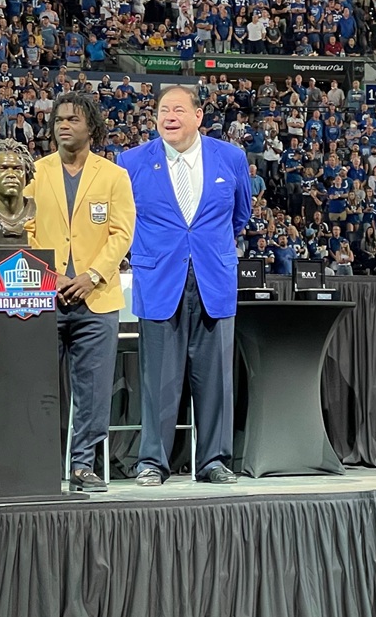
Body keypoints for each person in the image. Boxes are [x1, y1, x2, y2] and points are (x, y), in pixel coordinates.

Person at [118, 85, 252, 486]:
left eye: (178, 109)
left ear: (199, 116)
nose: (168, 116)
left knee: (215, 379)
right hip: (159, 279)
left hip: (214, 278)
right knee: (159, 378)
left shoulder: (230, 157)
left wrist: (206, 249)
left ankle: (213, 460)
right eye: (162, 110)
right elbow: (124, 221)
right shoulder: (131, 161)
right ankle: (152, 463)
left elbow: (239, 215)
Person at [24, 92, 135, 492]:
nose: (63, 125)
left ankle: (83, 465)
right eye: (58, 120)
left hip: (98, 297)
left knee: (92, 388)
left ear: (91, 126)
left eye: (72, 119)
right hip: (44, 296)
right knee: (37, 384)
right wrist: (51, 277)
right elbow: (27, 231)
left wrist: (91, 275)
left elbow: (122, 234)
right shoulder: (35, 172)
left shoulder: (114, 175)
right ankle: (36, 462)